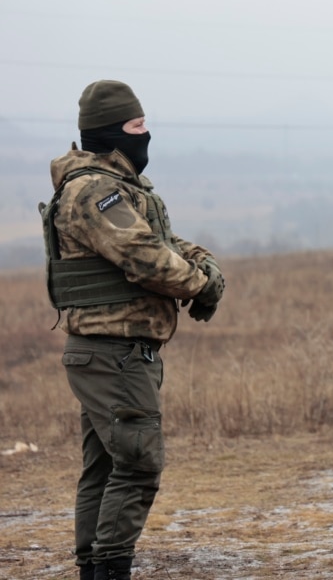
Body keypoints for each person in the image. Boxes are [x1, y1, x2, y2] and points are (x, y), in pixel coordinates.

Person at [43, 80, 225, 580]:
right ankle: (108, 570)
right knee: (139, 465)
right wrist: (199, 286)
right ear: (110, 131)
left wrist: (202, 263)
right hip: (112, 353)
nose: (147, 135)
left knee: (106, 468)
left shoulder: (114, 188)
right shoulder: (95, 191)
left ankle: (94, 569)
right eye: (137, 126)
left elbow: (159, 240)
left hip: (112, 353)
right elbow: (143, 256)